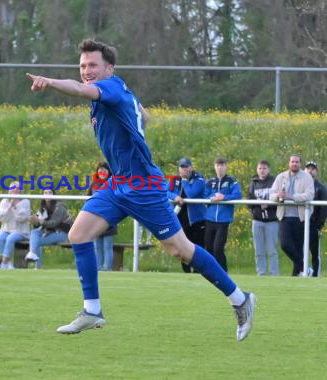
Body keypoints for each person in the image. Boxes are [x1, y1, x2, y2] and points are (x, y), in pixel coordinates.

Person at [26, 38, 256, 340]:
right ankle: (92, 310)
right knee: (78, 234)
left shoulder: (107, 88)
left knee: (180, 250)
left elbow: (81, 90)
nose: (86, 71)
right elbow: (144, 115)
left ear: (109, 68)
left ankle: (241, 299)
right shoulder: (117, 90)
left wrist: (51, 82)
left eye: (93, 65)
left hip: (143, 186)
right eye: (82, 66)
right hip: (120, 183)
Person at [270, 155, 314, 276]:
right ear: (289, 163)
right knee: (285, 245)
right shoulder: (281, 177)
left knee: (298, 248)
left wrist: (292, 197)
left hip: (300, 217)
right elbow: (271, 194)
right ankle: (304, 268)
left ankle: (296, 275)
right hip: (284, 216)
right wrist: (278, 196)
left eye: (297, 162)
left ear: (300, 164)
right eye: (292, 162)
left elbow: (310, 195)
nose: (294, 164)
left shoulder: (307, 177)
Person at [167, 158, 206, 273]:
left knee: (197, 246)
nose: (183, 169)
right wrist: (175, 197)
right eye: (181, 167)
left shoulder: (199, 178)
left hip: (197, 220)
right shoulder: (174, 179)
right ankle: (186, 272)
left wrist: (184, 181)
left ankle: (198, 271)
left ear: (191, 167)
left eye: (186, 167)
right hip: (180, 219)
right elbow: (165, 191)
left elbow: (191, 193)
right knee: (182, 247)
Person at [203, 158, 242, 272]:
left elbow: (237, 195)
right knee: (209, 248)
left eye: (222, 165)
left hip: (223, 221)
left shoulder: (231, 181)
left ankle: (223, 272)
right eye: (217, 165)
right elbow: (204, 197)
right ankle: (211, 272)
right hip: (209, 219)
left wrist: (224, 197)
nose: (220, 168)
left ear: (226, 167)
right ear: (214, 167)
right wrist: (212, 198)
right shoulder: (210, 182)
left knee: (218, 249)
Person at [25, 188, 72, 269]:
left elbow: (54, 223)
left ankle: (37, 264)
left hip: (61, 233)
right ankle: (33, 254)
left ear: (54, 195)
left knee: (36, 242)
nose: (48, 194)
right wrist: (34, 221)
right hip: (49, 232)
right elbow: (39, 226)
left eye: (50, 192)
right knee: (34, 232)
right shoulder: (43, 208)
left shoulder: (59, 206)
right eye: (45, 192)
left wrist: (39, 221)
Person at [247, 160, 280, 276]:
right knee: (258, 250)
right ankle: (261, 272)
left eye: (264, 168)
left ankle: (274, 273)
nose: (262, 171)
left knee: (271, 250)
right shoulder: (253, 182)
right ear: (257, 169)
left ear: (268, 169)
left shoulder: (274, 181)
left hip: (271, 221)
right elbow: (249, 201)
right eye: (260, 168)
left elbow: (279, 199)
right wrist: (258, 205)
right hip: (257, 220)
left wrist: (269, 204)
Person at [87, 162, 117, 271]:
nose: (102, 173)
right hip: (95, 219)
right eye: (100, 170)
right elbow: (88, 199)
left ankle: (107, 268)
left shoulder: (113, 183)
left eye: (104, 171)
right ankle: (98, 267)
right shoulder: (93, 184)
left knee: (107, 247)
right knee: (97, 247)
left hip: (109, 219)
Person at [0, 181, 31, 269]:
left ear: (20, 191)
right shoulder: (4, 201)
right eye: (13, 188)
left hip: (21, 231)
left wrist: (14, 207)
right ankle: (8, 262)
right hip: (6, 229)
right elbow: (1, 218)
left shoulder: (25, 202)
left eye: (18, 188)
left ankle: (3, 263)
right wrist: (8, 208)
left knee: (10, 239)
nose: (15, 190)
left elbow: (22, 218)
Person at [304, 161, 327, 276]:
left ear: (316, 172)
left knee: (314, 252)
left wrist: (319, 225)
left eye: (313, 169)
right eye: (308, 168)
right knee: (301, 251)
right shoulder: (301, 185)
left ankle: (315, 274)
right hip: (300, 224)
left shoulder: (321, 188)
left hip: (313, 225)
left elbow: (324, 209)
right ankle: (302, 272)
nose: (310, 171)